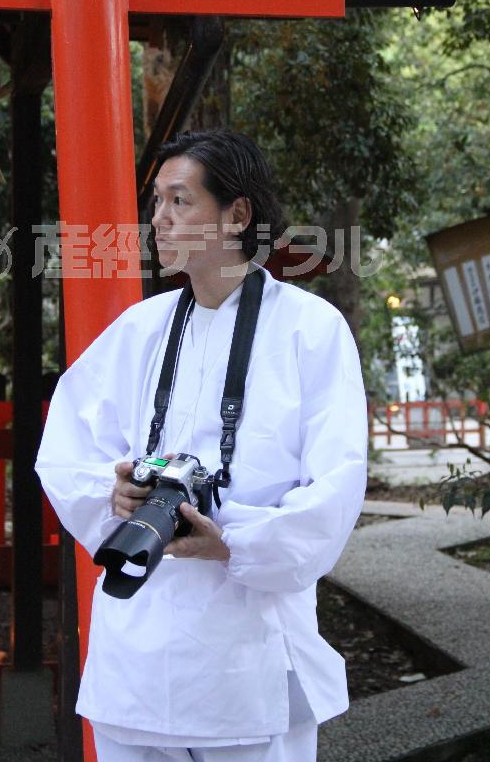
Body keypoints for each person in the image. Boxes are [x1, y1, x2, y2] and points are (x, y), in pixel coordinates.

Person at [35, 129, 368, 762]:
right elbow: (65, 450)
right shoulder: (140, 329)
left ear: (237, 214)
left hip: (248, 659)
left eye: (180, 200)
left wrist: (232, 541)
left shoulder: (310, 330)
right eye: (156, 201)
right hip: (133, 660)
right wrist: (115, 489)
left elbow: (336, 485)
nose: (158, 219)